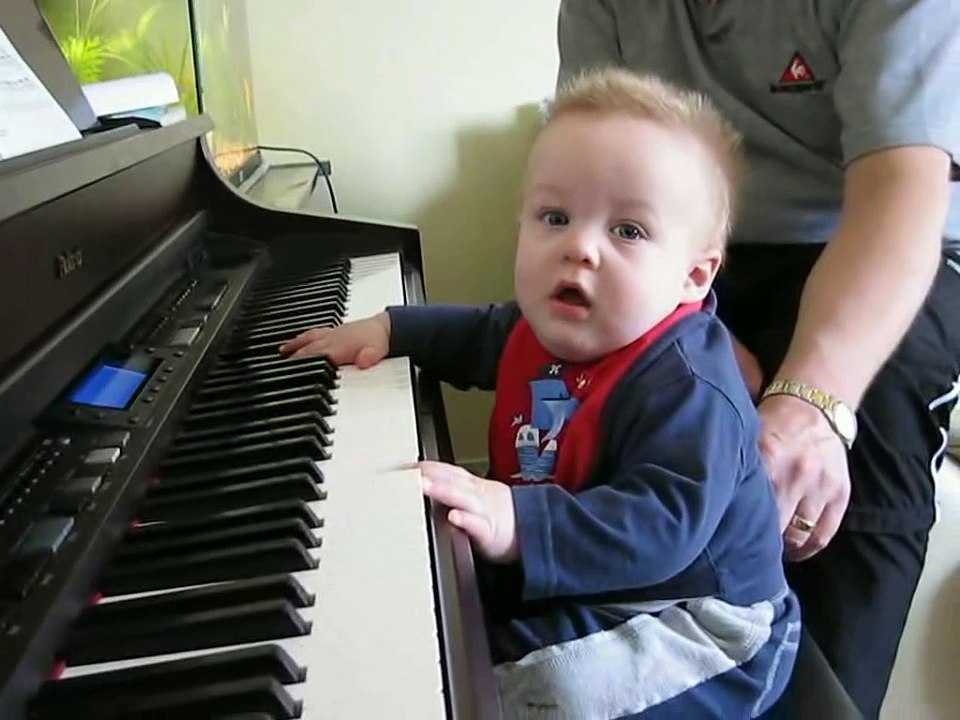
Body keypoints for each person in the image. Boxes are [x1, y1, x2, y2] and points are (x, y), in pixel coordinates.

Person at [281, 68, 799, 718]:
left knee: (522, 688)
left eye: (628, 231)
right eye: (556, 217)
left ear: (693, 276)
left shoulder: (690, 387)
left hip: (697, 617)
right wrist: (391, 329)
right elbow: (482, 334)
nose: (579, 246)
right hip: (598, 579)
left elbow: (660, 526)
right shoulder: (552, 327)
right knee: (451, 623)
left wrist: (517, 522)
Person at [553, 1, 960, 717]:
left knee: (875, 405)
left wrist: (811, 402)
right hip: (687, 246)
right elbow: (595, 169)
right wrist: (688, 328)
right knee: (606, 367)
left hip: (871, 236)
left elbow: (901, 196)